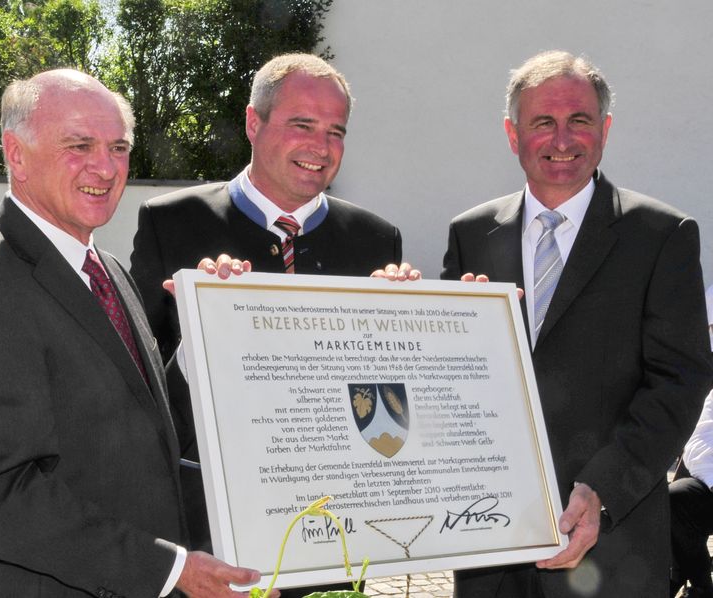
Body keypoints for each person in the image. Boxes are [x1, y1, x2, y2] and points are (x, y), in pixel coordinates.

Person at [0, 69, 273, 598]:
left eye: (118, 147)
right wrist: (172, 570)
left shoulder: (106, 269)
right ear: (16, 155)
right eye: (79, 146)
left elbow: (142, 428)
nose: (105, 168)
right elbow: (3, 498)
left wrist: (206, 337)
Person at [129, 53, 416, 598]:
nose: (321, 146)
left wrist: (407, 334)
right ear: (253, 123)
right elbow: (136, 388)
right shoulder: (171, 223)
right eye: (302, 125)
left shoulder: (376, 240)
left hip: (332, 535)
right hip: (205, 534)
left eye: (336, 131)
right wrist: (200, 335)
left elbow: (386, 403)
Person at [441, 50, 713, 597]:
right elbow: (447, 381)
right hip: (489, 547)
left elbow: (680, 382)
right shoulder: (471, 233)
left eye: (579, 120)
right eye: (542, 121)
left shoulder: (662, 236)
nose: (561, 139)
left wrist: (601, 489)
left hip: (612, 548)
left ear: (605, 130)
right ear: (513, 134)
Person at [669, 290, 713, 598]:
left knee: (676, 503)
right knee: (668, 504)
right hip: (700, 468)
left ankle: (698, 585)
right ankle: (685, 580)